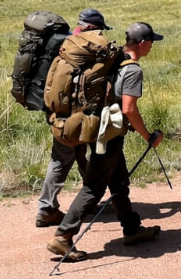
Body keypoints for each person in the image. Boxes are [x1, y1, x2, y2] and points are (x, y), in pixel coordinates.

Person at [47, 22, 164, 261]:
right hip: (108, 134)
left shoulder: (112, 57)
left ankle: (131, 229)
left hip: (97, 127)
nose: (152, 46)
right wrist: (148, 136)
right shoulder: (132, 70)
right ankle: (63, 236)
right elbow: (129, 108)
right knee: (94, 187)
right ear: (142, 44)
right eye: (151, 42)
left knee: (119, 180)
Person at [35, 8, 110, 227]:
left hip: (57, 113)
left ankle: (84, 201)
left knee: (73, 157)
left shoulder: (66, 42)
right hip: (79, 117)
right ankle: (46, 209)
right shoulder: (87, 45)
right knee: (67, 160)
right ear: (93, 27)